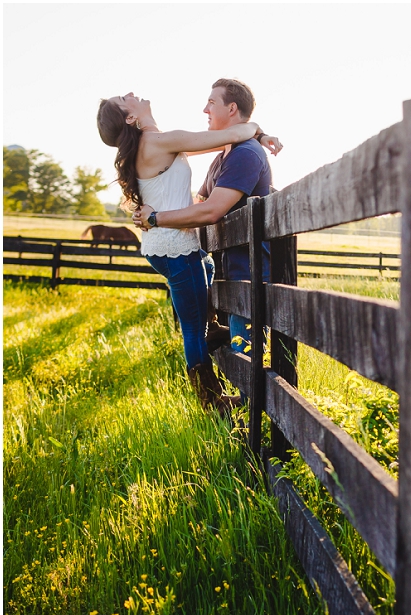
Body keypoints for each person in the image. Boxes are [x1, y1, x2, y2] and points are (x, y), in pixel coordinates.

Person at [96, 91, 281, 412]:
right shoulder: (158, 142)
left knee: (206, 269)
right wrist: (260, 133)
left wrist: (256, 133)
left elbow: (227, 138)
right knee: (192, 328)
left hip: (167, 246)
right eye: (124, 99)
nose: (131, 94)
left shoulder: (155, 143)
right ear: (130, 118)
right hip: (175, 248)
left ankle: (211, 332)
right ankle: (210, 401)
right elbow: (235, 134)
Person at [133, 79, 276, 355]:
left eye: (212, 102)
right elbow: (200, 202)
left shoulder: (245, 154)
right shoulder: (223, 157)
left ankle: (240, 397)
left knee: (248, 363)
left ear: (232, 108)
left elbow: (211, 211)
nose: (205, 109)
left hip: (249, 274)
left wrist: (156, 218)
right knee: (237, 360)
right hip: (231, 273)